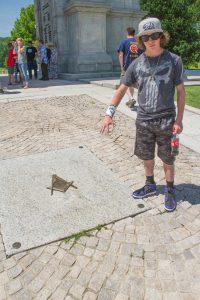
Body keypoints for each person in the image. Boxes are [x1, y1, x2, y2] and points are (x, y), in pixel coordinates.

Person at [101, 17, 185, 212]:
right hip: (144, 120)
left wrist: (179, 120)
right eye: (145, 37)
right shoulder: (136, 64)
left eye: (155, 35)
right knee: (146, 156)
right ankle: (150, 184)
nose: (150, 40)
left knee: (168, 159)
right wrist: (109, 113)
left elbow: (181, 92)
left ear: (161, 36)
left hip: (166, 120)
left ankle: (170, 189)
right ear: (141, 40)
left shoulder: (174, 60)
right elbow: (122, 89)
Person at [117, 27, 142, 109]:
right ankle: (130, 101)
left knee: (123, 84)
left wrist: (121, 66)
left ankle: (132, 98)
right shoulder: (138, 43)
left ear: (127, 33)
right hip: (137, 66)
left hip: (127, 66)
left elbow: (121, 55)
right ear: (134, 34)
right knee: (130, 84)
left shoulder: (123, 42)